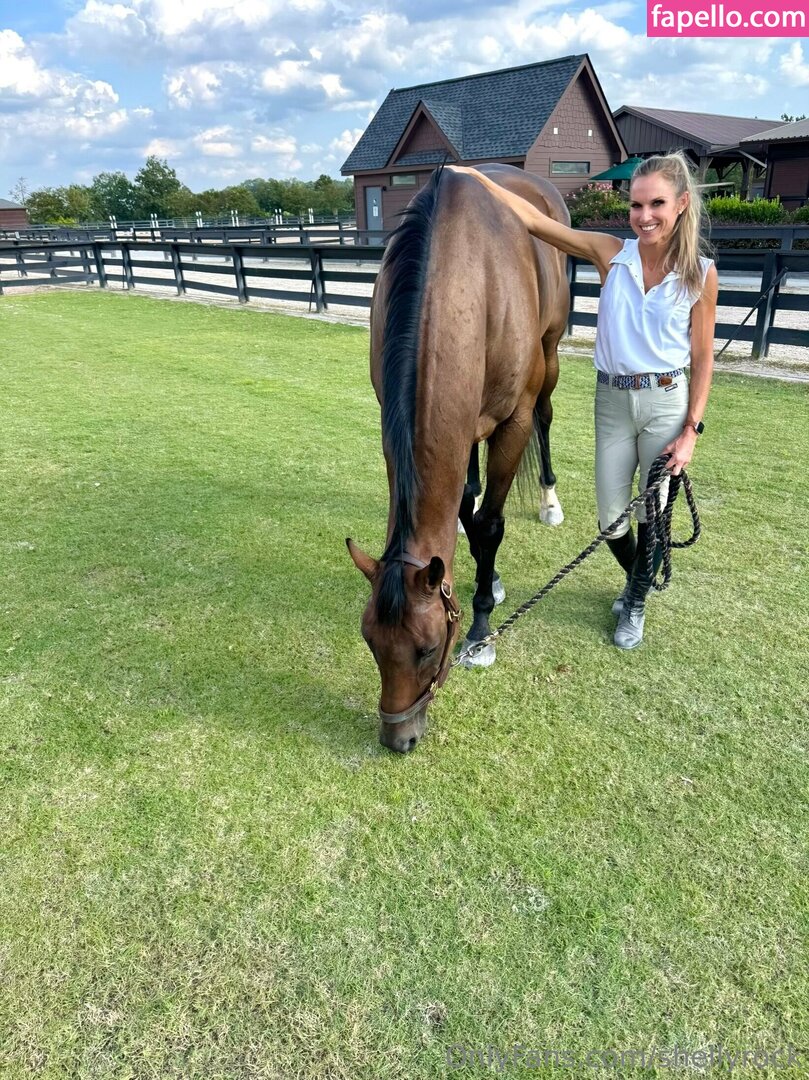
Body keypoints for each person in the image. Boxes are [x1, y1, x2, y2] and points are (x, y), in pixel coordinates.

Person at [450, 152, 717, 649]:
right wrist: (474, 178)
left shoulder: (700, 273)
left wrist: (690, 431)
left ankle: (634, 600)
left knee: (652, 513)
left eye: (656, 204)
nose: (644, 216)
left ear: (681, 204)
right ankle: (640, 576)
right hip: (612, 401)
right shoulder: (610, 253)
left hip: (665, 401)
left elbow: (703, 358)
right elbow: (535, 221)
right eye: (636, 205)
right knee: (612, 521)